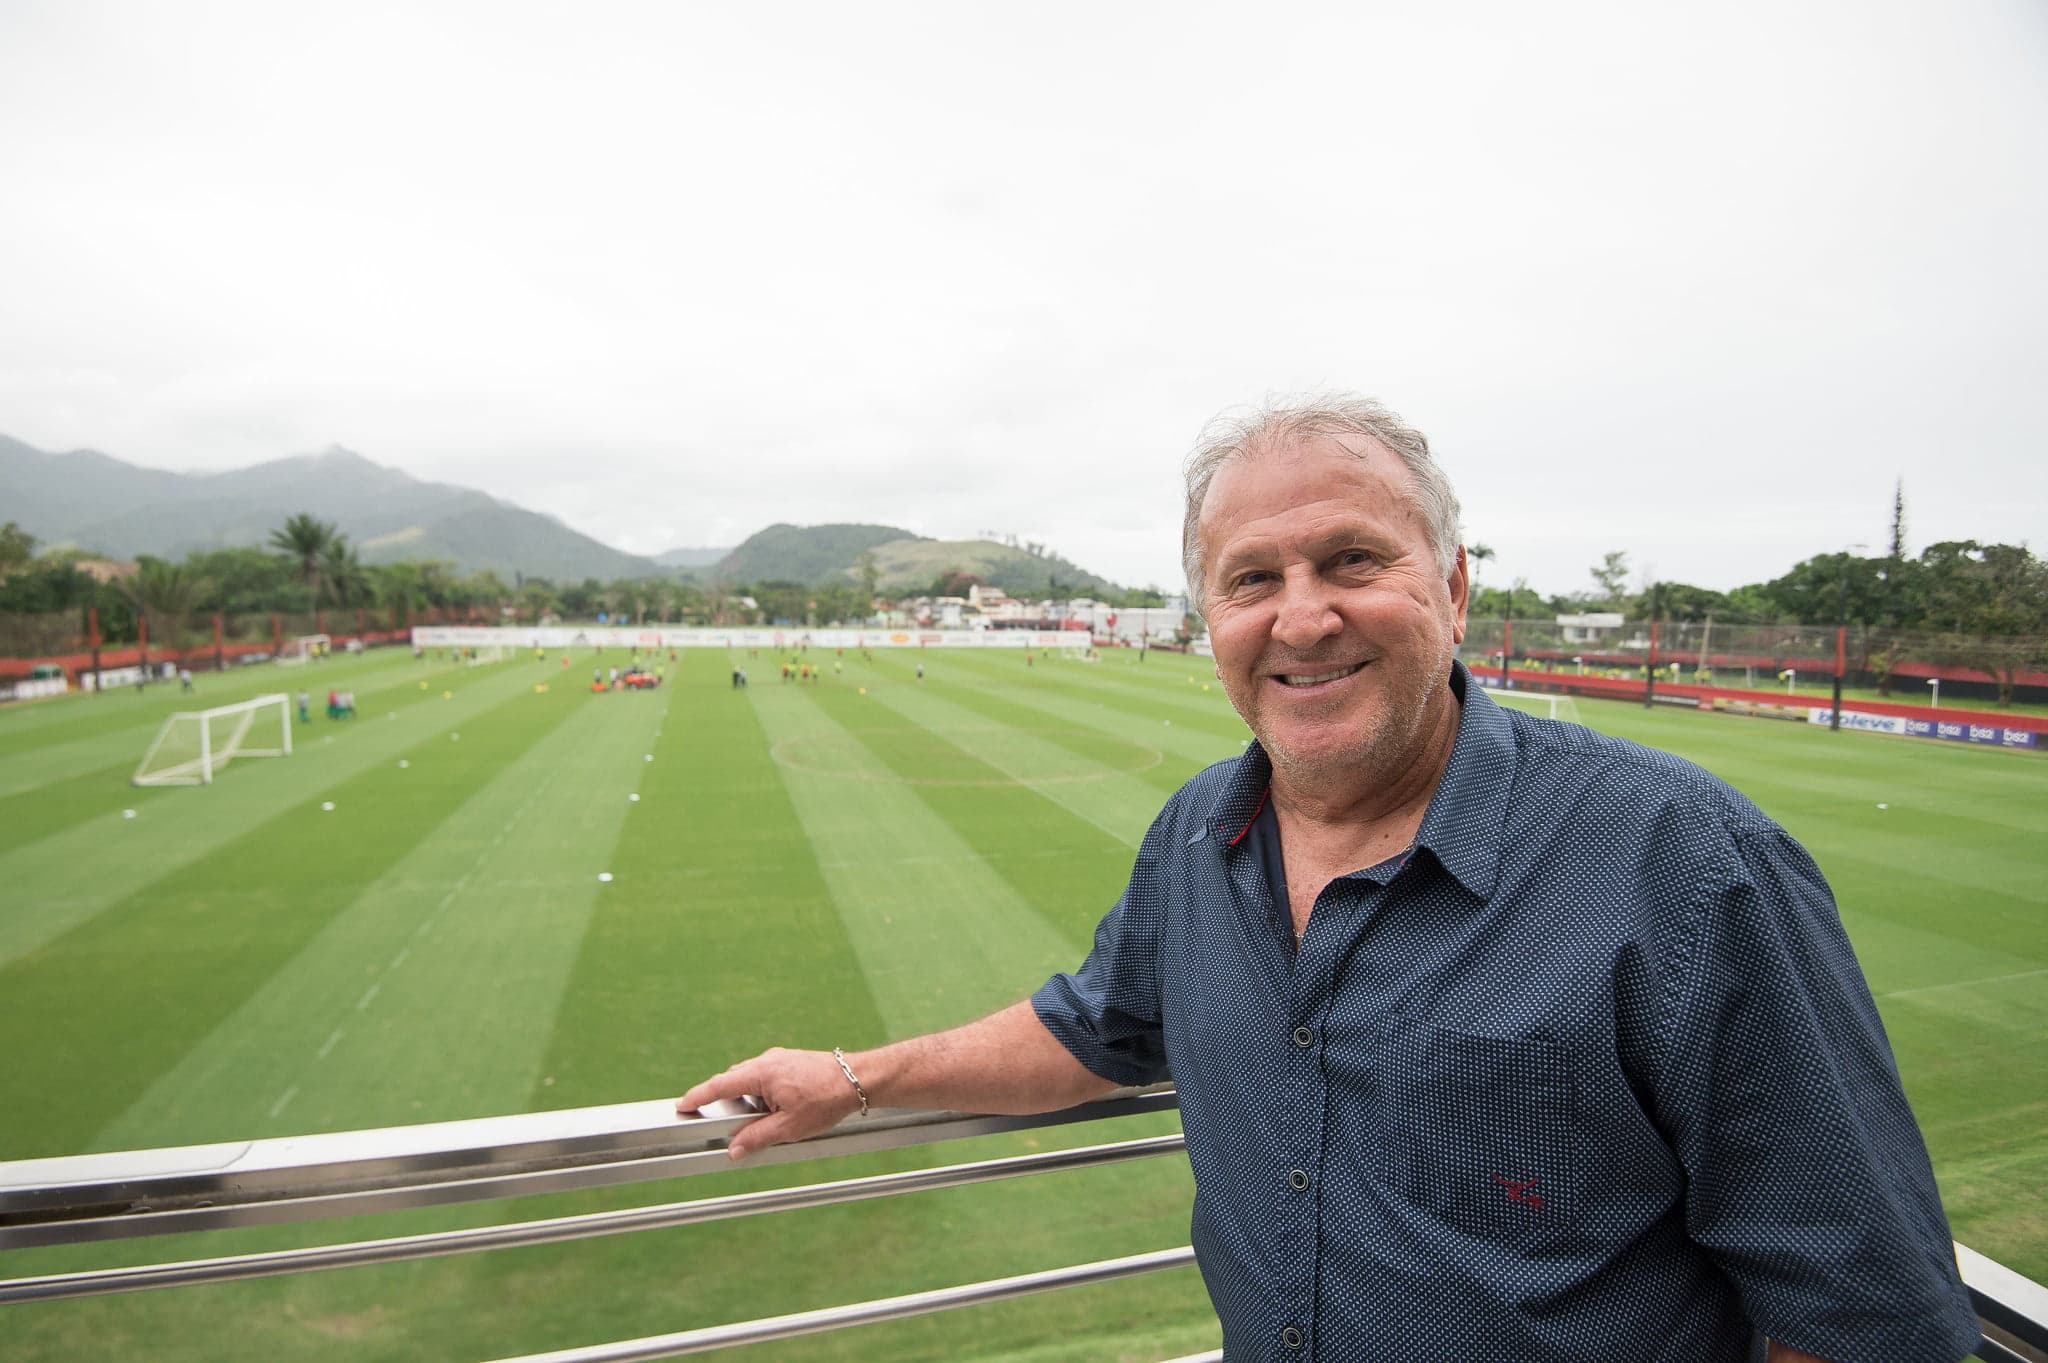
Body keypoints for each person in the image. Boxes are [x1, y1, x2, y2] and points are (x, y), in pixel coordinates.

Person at [681, 396, 1976, 1363]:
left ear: (1455, 588)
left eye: (1352, 561)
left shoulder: (1686, 864)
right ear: (1211, 624)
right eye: (1253, 580)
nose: (1302, 617)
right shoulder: (1202, 836)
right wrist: (855, 1081)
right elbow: (1091, 1028)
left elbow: (1862, 1308)